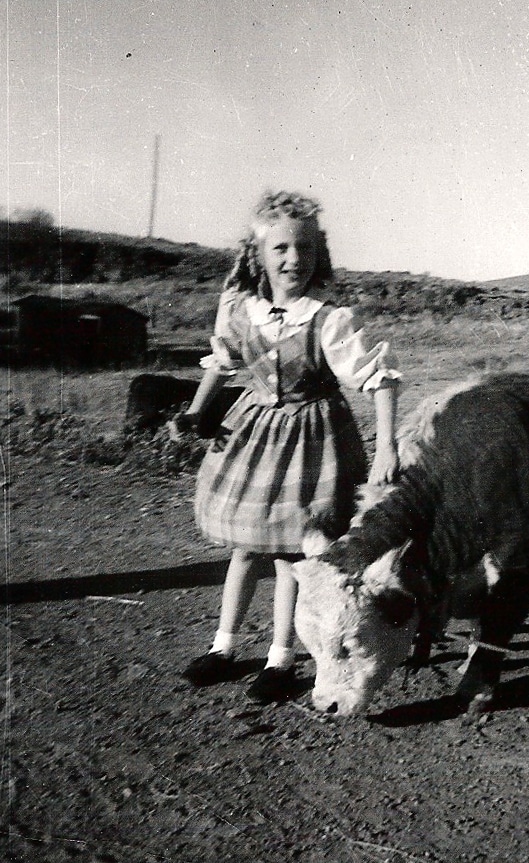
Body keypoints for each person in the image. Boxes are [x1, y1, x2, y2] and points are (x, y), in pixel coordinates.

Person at [174, 190, 401, 704]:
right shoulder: (238, 309)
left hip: (312, 442)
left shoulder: (329, 320)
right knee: (246, 547)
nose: (292, 259)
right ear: (258, 254)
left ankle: (281, 657)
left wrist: (385, 447)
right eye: (280, 249)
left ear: (318, 253)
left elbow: (378, 380)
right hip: (252, 437)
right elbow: (222, 362)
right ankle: (224, 646)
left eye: (303, 248)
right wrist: (193, 412)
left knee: (291, 554)